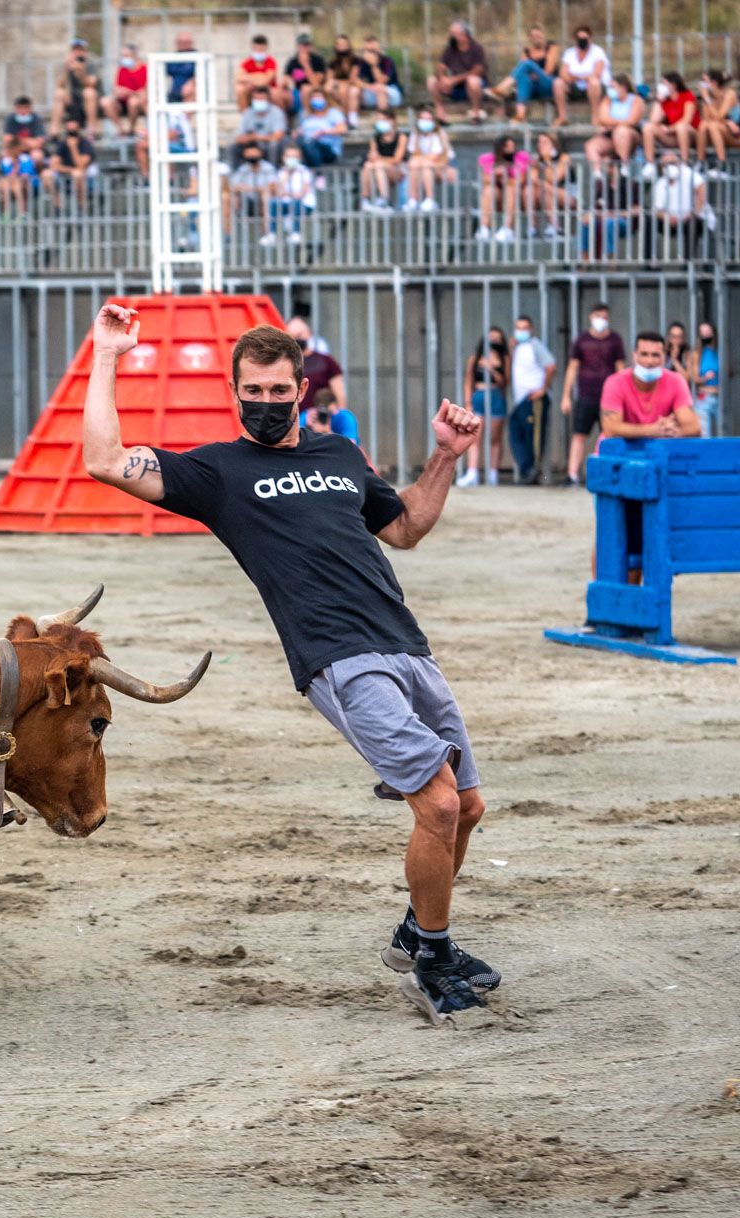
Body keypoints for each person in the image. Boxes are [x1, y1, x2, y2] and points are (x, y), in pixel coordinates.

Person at [82, 306, 493, 1024]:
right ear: (234, 392)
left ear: (301, 390)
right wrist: (108, 353)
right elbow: (105, 461)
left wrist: (447, 456)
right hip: (337, 658)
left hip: (407, 645)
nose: (267, 404)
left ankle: (418, 930)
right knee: (439, 804)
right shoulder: (219, 471)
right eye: (254, 392)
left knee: (470, 807)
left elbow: (406, 528)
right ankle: (433, 961)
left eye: (280, 392)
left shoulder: (340, 454)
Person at [561, 303, 627, 484]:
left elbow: (620, 369)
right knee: (578, 435)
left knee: (611, 434)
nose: (601, 320)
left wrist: (624, 397)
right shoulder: (582, 340)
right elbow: (572, 367)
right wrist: (566, 396)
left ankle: (612, 473)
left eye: (605, 317)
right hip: (586, 396)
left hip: (610, 398)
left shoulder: (615, 340)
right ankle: (572, 475)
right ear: (591, 317)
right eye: (598, 316)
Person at [599, 331, 701, 445]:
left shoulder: (676, 381)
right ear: (635, 356)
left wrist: (668, 431)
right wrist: (652, 430)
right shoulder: (615, 382)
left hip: (657, 450)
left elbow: (693, 427)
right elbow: (610, 429)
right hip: (617, 453)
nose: (650, 361)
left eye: (655, 355)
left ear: (664, 358)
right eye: (644, 354)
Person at [506, 316, 557, 483]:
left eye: (525, 327)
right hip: (521, 400)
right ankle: (526, 468)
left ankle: (532, 470)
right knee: (515, 431)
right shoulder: (518, 348)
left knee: (533, 436)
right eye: (518, 328)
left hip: (535, 399)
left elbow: (551, 366)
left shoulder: (535, 345)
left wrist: (543, 389)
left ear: (531, 329)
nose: (521, 331)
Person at [461, 328, 509, 486]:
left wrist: (492, 369)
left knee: (495, 437)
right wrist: (468, 402)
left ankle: (493, 473)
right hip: (479, 396)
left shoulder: (504, 359)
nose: (494, 340)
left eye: (497, 338)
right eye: (491, 337)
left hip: (496, 396)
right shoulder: (475, 358)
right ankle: (472, 472)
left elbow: (505, 383)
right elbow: (468, 381)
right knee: (475, 437)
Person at [428, 21, 490, 123]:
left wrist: (454, 80)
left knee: (473, 80)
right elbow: (440, 67)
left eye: (453, 34)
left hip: (475, 88)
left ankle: (476, 115)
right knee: (431, 80)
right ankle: (440, 115)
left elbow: (478, 70)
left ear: (463, 34)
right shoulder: (450, 49)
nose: (451, 36)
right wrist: (442, 79)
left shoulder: (477, 48)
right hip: (455, 88)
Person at [642, 73, 702, 176]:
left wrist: (670, 129)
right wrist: (658, 101)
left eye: (664, 83)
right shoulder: (665, 100)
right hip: (674, 136)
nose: (662, 86)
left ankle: (684, 163)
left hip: (690, 133)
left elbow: (687, 120)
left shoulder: (687, 95)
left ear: (673, 85)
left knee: (681, 127)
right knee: (648, 127)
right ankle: (650, 163)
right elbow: (653, 120)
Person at [475, 133, 530, 241]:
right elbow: (485, 179)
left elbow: (521, 180)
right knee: (489, 189)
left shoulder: (521, 157)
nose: (511, 149)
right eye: (507, 146)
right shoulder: (488, 159)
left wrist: (506, 177)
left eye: (512, 146)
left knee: (510, 187)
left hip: (517, 197)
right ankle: (484, 228)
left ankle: (508, 228)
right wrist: (495, 174)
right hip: (499, 197)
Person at [585, 75, 643, 169]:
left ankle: (623, 166)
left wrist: (612, 125)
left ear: (623, 87)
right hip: (611, 136)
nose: (610, 90)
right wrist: (621, 123)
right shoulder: (607, 100)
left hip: (631, 136)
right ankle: (598, 176)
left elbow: (633, 121)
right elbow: (603, 119)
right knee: (591, 146)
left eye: (613, 87)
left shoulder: (636, 100)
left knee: (621, 131)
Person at [553, 27, 607, 128]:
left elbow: (597, 74)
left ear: (590, 39)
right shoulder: (569, 53)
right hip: (575, 87)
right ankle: (562, 117)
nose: (582, 41)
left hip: (595, 88)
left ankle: (595, 117)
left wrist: (575, 77)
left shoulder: (598, 52)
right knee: (558, 83)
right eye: (579, 39)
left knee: (594, 82)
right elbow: (563, 73)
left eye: (585, 38)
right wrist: (582, 78)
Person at [506, 26, 559, 123]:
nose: (536, 38)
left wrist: (534, 71)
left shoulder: (551, 47)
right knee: (523, 79)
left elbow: (548, 71)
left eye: (538, 35)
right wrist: (530, 74)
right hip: (533, 86)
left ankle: (505, 85)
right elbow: (522, 72)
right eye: (533, 36)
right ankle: (520, 114)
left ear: (543, 35)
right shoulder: (527, 51)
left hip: (548, 84)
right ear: (529, 38)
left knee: (527, 64)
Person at [697, 69, 740, 171]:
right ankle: (700, 162)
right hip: (718, 131)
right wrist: (727, 122)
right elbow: (706, 120)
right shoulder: (707, 98)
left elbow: (718, 117)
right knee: (703, 126)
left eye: (705, 81)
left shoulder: (729, 94)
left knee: (712, 125)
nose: (701, 85)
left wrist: (707, 99)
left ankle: (721, 164)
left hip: (737, 135)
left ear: (714, 83)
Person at [403, 110, 453, 211]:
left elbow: (435, 157)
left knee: (425, 165)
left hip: (443, 167)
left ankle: (430, 199)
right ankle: (413, 199)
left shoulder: (439, 134)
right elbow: (413, 156)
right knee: (414, 164)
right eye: (423, 119)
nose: (425, 122)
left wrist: (419, 160)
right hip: (422, 167)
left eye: (428, 119)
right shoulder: (415, 135)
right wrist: (418, 160)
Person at [526, 132, 572, 238]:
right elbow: (532, 178)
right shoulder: (537, 160)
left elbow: (555, 178)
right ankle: (532, 227)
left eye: (545, 142)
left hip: (567, 195)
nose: (541, 145)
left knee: (544, 190)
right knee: (529, 190)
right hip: (545, 194)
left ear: (554, 145)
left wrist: (546, 161)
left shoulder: (564, 157)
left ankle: (555, 226)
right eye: (539, 142)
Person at [357, 112, 405, 212]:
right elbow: (373, 156)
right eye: (378, 120)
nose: (380, 122)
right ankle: (365, 198)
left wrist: (380, 159)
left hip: (397, 171)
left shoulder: (401, 137)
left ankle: (385, 199)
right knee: (368, 165)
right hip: (380, 169)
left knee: (378, 165)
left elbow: (397, 159)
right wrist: (372, 157)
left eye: (383, 119)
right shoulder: (375, 138)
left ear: (392, 121)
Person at [230, 86, 289, 166]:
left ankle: (272, 171)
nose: (259, 101)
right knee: (233, 146)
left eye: (261, 99)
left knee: (273, 144)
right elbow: (239, 136)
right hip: (251, 144)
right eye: (256, 99)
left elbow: (278, 136)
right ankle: (236, 173)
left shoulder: (276, 112)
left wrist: (257, 137)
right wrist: (246, 138)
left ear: (268, 100)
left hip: (268, 145)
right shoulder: (248, 112)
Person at [103, 43, 148, 138]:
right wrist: (119, 92)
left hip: (137, 102)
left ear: (134, 56)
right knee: (105, 102)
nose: (124, 59)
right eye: (123, 56)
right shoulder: (122, 70)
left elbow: (143, 92)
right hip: (122, 101)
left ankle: (131, 130)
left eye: (126, 56)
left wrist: (129, 92)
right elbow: (117, 89)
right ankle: (121, 130)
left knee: (133, 102)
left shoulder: (144, 69)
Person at [355, 35, 404, 114]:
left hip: (392, 93)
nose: (371, 53)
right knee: (354, 90)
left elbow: (381, 82)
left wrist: (374, 65)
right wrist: (368, 86)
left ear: (379, 50)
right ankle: (352, 121)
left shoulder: (387, 61)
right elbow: (355, 80)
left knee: (380, 89)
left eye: (373, 50)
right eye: (368, 51)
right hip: (372, 92)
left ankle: (382, 119)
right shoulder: (361, 62)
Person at [693, 322, 721, 437]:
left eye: (708, 331)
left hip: (719, 396)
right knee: (704, 435)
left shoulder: (720, 352)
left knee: (723, 434)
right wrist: (705, 378)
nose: (705, 335)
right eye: (702, 332)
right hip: (704, 397)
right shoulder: (697, 354)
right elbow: (695, 378)